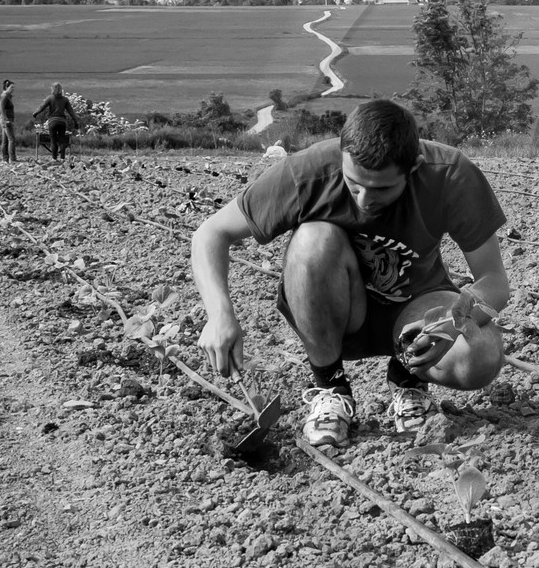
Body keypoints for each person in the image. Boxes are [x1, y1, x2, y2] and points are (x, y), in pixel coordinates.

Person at [191, 98, 511, 449]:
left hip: (415, 308)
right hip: (334, 308)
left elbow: (494, 282)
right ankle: (330, 387)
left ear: (415, 166)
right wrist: (219, 315)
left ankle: (407, 378)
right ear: (342, 155)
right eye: (354, 183)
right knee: (313, 238)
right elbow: (211, 234)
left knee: (481, 356)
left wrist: (453, 323)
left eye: (382, 189)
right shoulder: (309, 172)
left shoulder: (449, 173)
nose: (363, 200)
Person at [31, 83, 79, 161]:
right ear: (61, 90)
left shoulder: (50, 98)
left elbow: (42, 107)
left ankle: (54, 158)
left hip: (52, 122)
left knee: (53, 141)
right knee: (62, 141)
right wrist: (76, 122)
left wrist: (35, 113)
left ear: (52, 89)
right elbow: (71, 112)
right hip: (62, 122)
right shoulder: (65, 100)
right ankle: (62, 158)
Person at [0, 80, 18, 164]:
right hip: (6, 120)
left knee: (5, 140)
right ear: (6, 87)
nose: (13, 89)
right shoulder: (5, 97)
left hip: (6, 119)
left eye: (13, 87)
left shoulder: (8, 96)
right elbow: (1, 108)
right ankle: (12, 159)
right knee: (12, 139)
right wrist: (6, 119)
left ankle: (5, 158)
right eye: (11, 87)